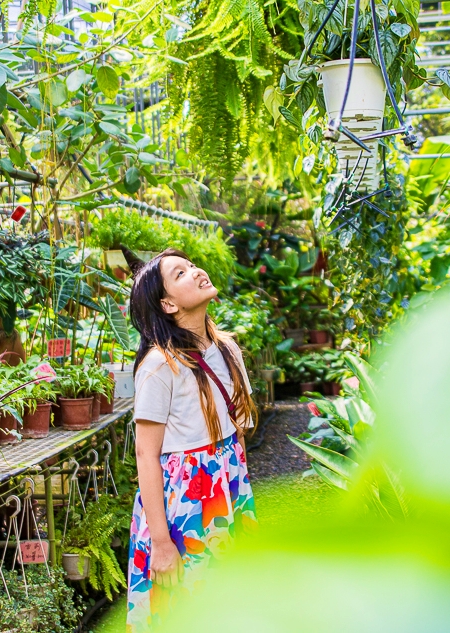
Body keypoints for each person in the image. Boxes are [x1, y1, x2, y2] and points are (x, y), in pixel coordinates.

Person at [125, 248, 258, 632]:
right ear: (167, 304)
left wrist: (241, 496)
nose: (196, 271)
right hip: (185, 499)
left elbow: (236, 436)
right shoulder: (158, 366)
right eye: (180, 273)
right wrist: (162, 544)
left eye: (191, 266)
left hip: (228, 486)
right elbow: (146, 455)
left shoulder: (227, 350)